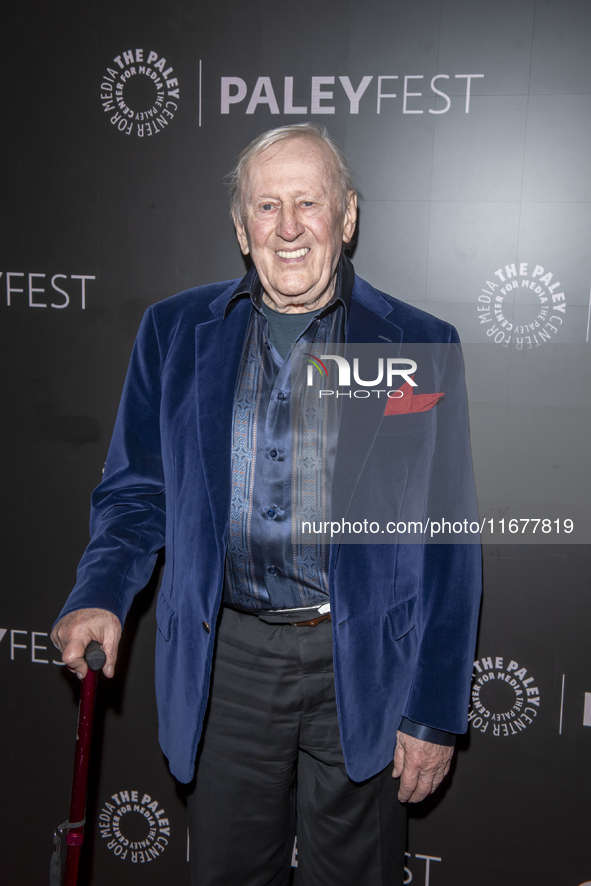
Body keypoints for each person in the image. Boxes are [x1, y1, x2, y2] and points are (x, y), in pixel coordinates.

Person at [52, 123, 481, 885]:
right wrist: (100, 594)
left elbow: (446, 545)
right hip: (229, 661)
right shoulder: (176, 332)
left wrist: (433, 710)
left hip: (362, 665)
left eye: (308, 203)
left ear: (347, 216)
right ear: (240, 227)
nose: (287, 228)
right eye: (266, 206)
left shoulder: (415, 342)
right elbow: (135, 494)